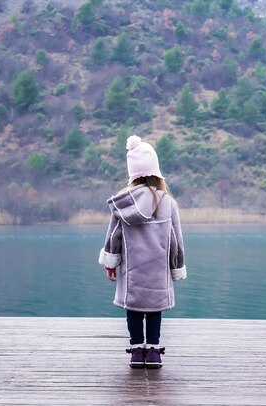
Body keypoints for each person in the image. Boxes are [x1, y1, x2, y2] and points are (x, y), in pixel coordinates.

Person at [98, 135, 186, 369]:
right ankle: (154, 352)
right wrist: (176, 268)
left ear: (132, 174)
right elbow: (176, 240)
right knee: (154, 309)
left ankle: (137, 351)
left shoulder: (123, 203)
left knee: (134, 309)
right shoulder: (168, 202)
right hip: (158, 271)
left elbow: (113, 236)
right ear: (156, 172)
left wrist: (110, 263)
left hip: (132, 270)